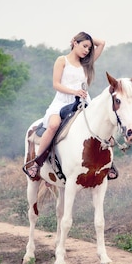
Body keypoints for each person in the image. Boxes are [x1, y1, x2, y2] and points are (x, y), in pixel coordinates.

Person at [23, 31, 118, 180]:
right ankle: (37, 163)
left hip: (83, 103)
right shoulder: (62, 60)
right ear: (75, 43)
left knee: (101, 125)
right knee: (53, 125)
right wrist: (74, 91)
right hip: (62, 102)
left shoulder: (86, 63)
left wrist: (87, 37)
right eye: (84, 46)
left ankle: (109, 164)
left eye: (89, 47)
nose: (87, 50)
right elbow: (56, 84)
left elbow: (102, 43)